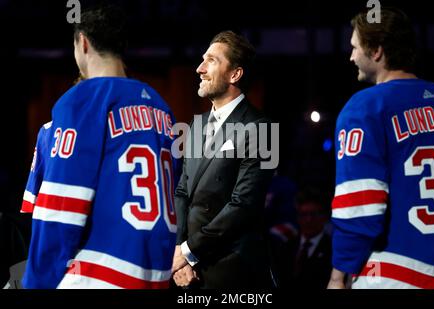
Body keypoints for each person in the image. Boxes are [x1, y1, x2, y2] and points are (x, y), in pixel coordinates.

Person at [21, 5, 178, 289]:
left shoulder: (81, 100)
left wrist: (36, 282)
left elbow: (60, 209)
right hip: (156, 275)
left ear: (83, 43)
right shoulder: (160, 106)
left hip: (101, 273)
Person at [328, 8, 434, 289]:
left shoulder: (364, 107)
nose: (351, 57)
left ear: (377, 52)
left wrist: (338, 275)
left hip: (393, 272)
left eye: (355, 48)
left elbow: (359, 204)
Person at [171, 31, 276, 288]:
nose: (199, 69)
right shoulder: (196, 126)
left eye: (211, 61)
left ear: (234, 74)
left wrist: (187, 252)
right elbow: (183, 191)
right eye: (202, 60)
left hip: (236, 274)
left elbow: (243, 206)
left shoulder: (262, 128)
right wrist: (179, 251)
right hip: (191, 272)